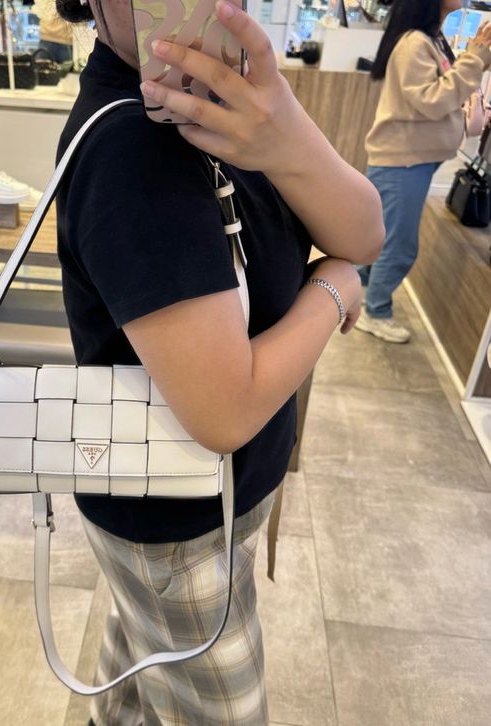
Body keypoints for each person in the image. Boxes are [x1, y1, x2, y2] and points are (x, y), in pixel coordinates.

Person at [53, 0, 383, 723]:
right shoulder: (132, 148)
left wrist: (287, 132)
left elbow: (364, 233)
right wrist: (332, 291)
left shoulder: (238, 102)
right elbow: (225, 410)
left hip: (202, 506)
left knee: (142, 672)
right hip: (179, 528)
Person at [357, 0, 491, 343]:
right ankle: (375, 312)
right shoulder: (415, 42)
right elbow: (432, 101)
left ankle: (361, 295)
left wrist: (475, 57)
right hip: (403, 161)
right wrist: (475, 58)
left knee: (383, 238)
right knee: (398, 246)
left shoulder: (430, 38)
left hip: (410, 160)